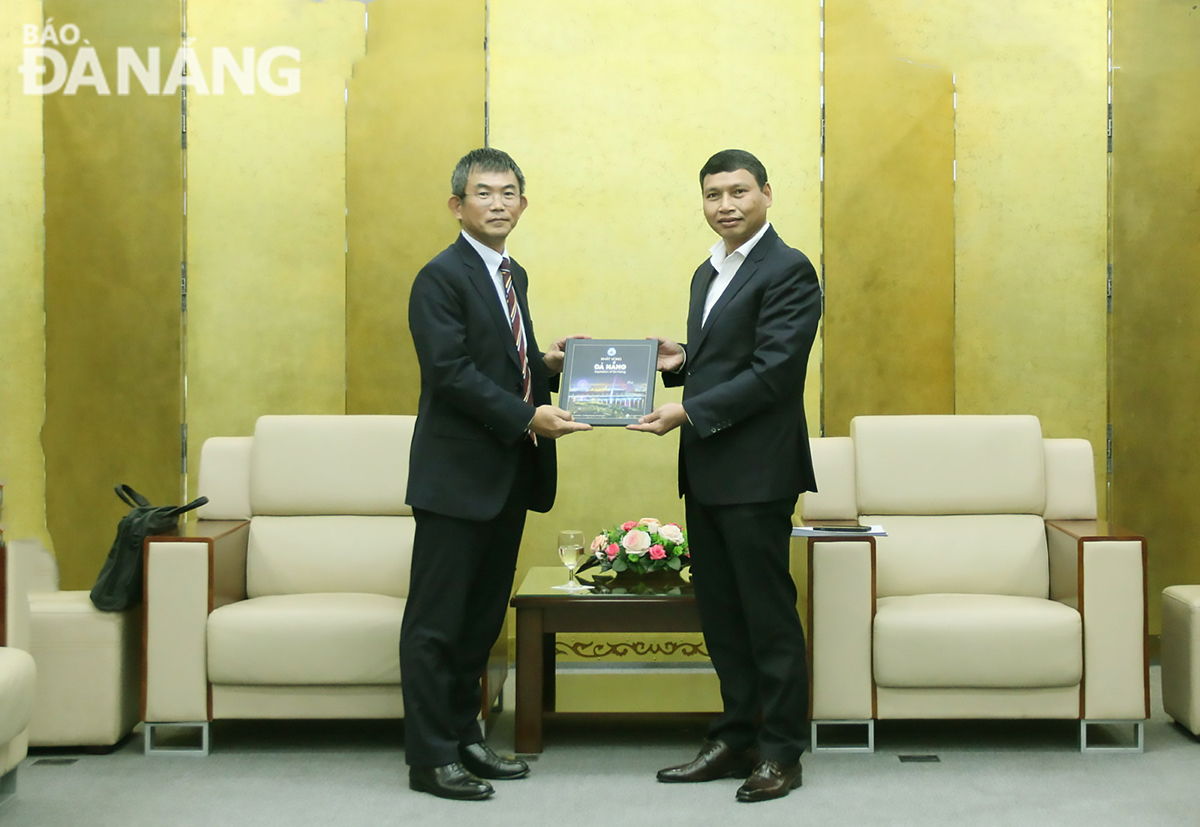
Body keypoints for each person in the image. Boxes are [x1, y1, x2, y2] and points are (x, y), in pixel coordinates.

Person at [629, 149, 821, 802]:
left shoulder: (790, 269)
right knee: (721, 615)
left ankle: (781, 751)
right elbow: (728, 356)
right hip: (708, 468)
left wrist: (686, 409)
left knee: (767, 617)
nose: (726, 204)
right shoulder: (705, 272)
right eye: (713, 194)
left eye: (739, 191)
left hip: (759, 471)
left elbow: (773, 373)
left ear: (767, 193)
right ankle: (736, 733)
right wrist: (684, 361)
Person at [401, 148, 591, 801]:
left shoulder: (513, 274)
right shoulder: (440, 276)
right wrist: (527, 416)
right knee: (437, 622)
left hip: (507, 476)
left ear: (523, 203)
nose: (498, 203)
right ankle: (429, 757)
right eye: (484, 193)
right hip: (456, 478)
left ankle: (464, 736)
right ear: (458, 205)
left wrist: (548, 364)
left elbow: (501, 363)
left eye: (509, 192)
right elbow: (450, 374)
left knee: (481, 621)